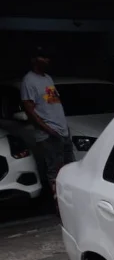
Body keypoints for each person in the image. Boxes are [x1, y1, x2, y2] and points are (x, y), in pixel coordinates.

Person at [20, 47, 75, 199]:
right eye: (43, 57)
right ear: (34, 60)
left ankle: (71, 201)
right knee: (55, 171)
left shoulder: (47, 78)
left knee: (70, 169)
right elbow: (30, 111)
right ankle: (59, 203)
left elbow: (53, 104)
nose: (47, 60)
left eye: (47, 57)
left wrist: (64, 127)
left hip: (62, 131)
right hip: (48, 135)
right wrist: (48, 129)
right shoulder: (28, 81)